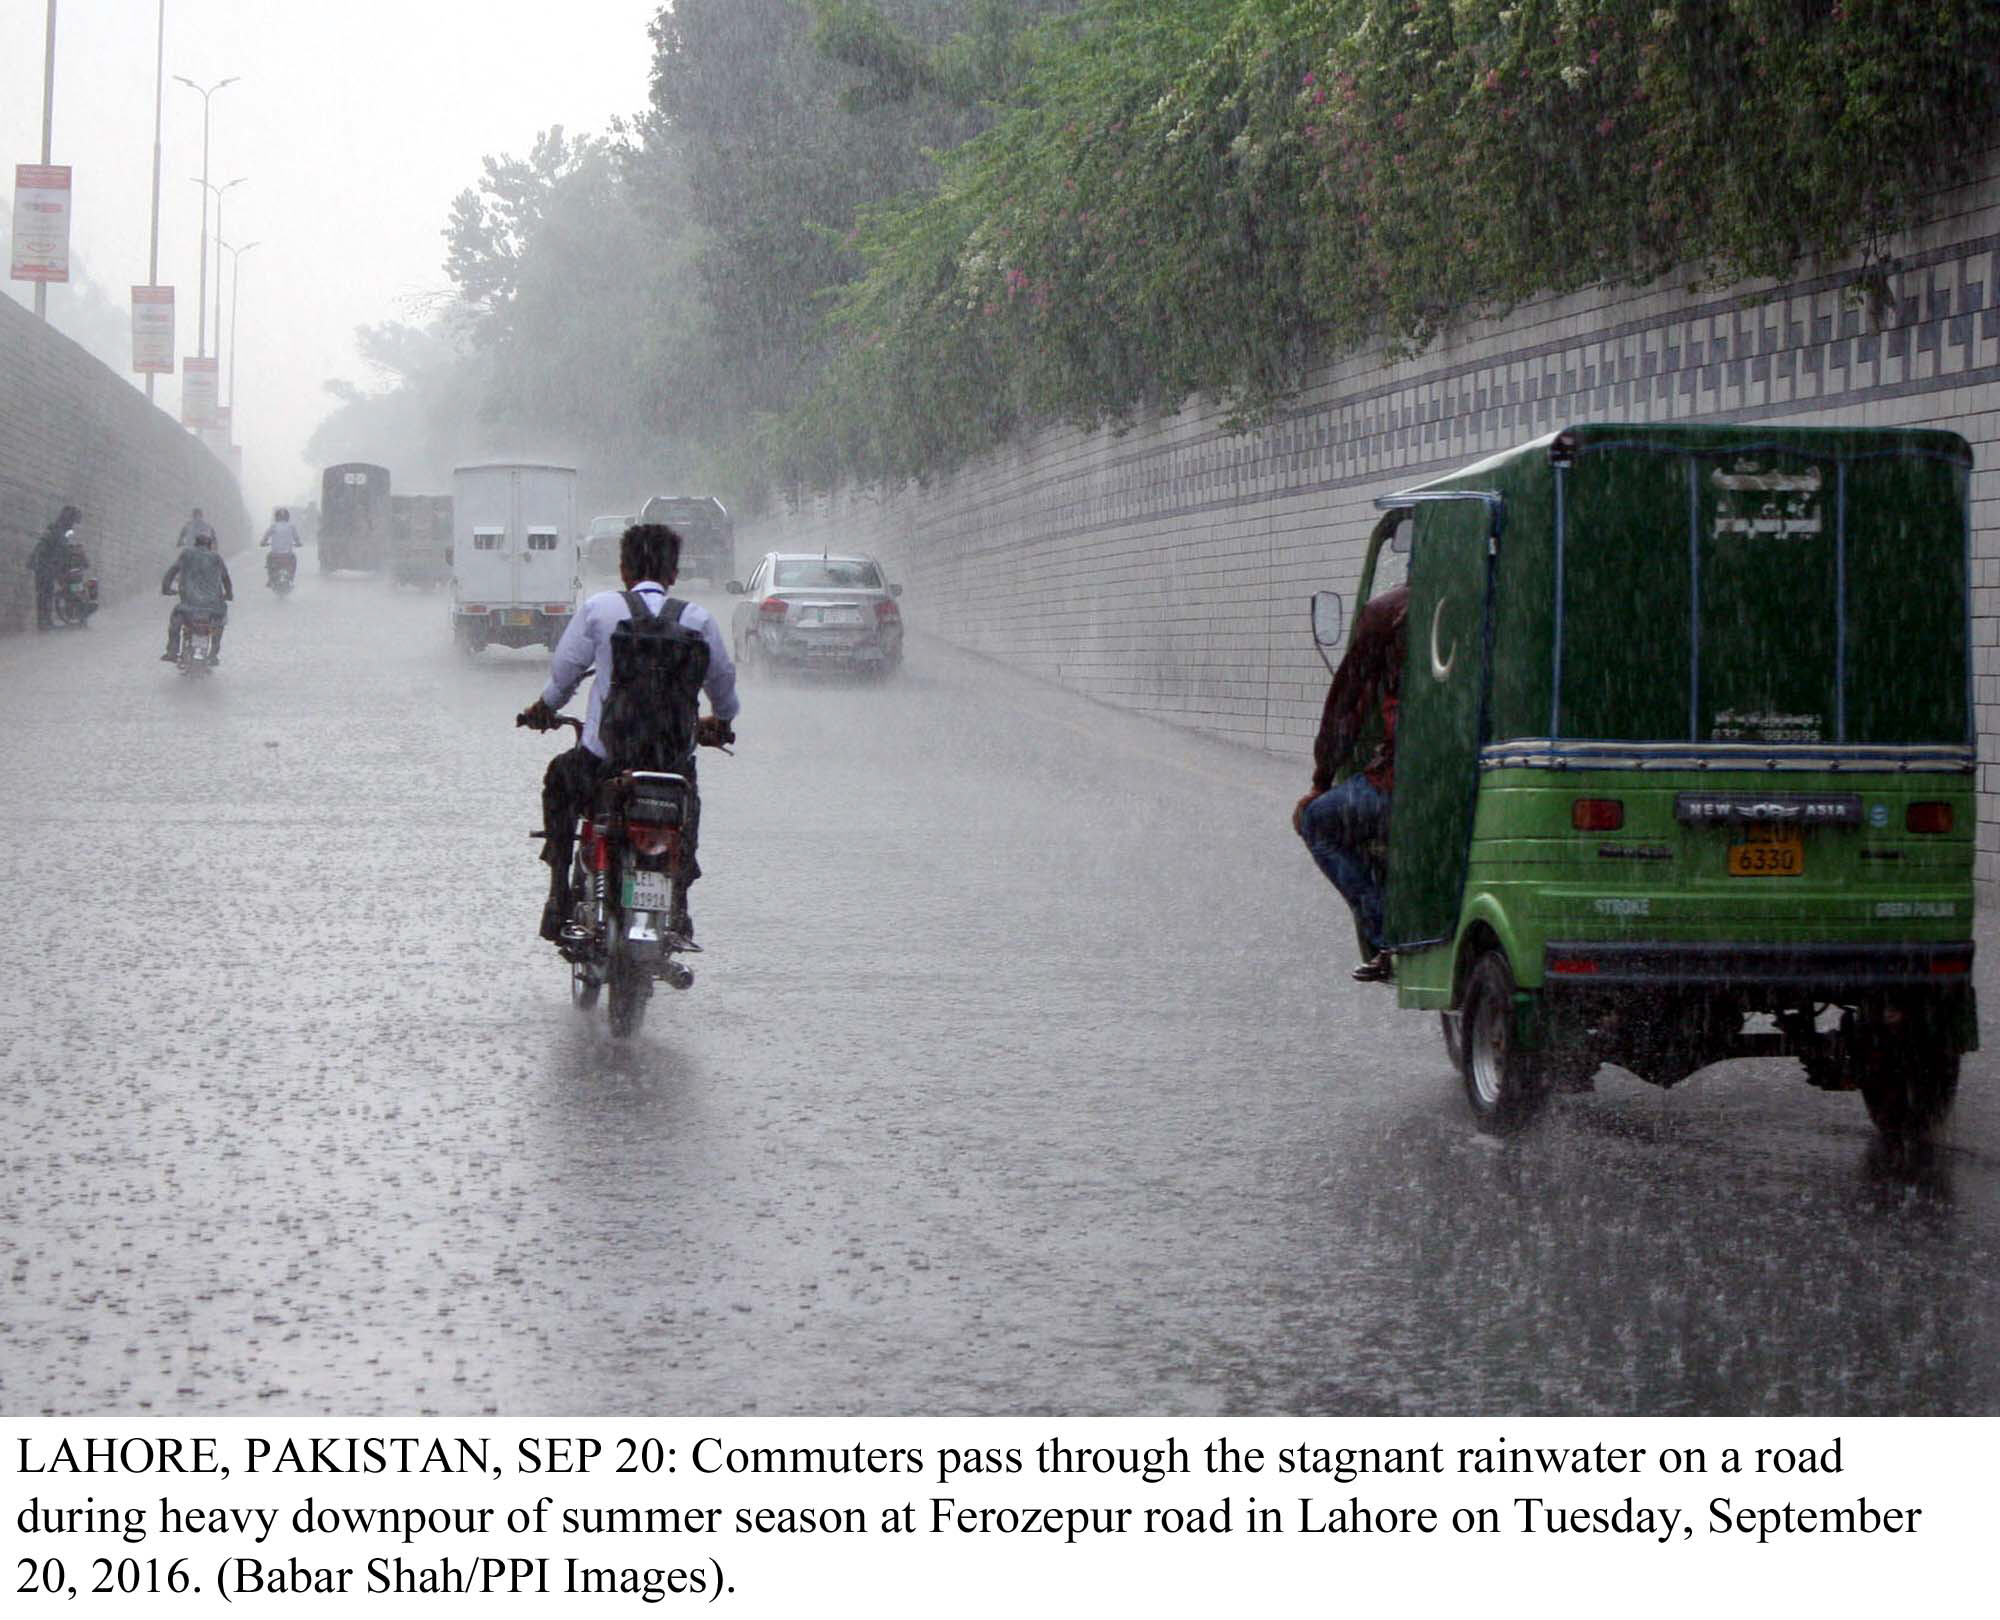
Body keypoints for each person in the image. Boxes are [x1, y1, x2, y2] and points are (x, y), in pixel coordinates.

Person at [517, 522, 739, 943]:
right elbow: (723, 686)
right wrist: (722, 724)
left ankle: (559, 893)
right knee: (686, 815)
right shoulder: (699, 621)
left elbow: (564, 676)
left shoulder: (600, 610)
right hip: (670, 769)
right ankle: (680, 906)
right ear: (673, 573)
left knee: (559, 781)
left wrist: (543, 709)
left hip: (603, 765)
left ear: (623, 569)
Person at [1293, 581, 1409, 983]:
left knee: (1319, 822)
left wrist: (1322, 780)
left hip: (1403, 784)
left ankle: (1389, 939)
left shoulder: (1391, 610)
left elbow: (1348, 704)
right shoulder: (1500, 594)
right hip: (1484, 784)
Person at [161, 531, 233, 663]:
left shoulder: (186, 554)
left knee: (175, 620)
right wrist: (229, 594)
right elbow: (226, 579)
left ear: (195, 544)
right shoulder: (216, 558)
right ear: (210, 546)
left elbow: (172, 571)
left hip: (188, 606)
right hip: (213, 607)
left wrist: (166, 588)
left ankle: (172, 651)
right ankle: (213, 654)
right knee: (220, 623)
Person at [28, 504, 80, 630]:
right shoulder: (58, 530)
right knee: (44, 593)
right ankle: (43, 623)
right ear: (69, 519)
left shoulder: (60, 529)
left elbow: (60, 551)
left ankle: (46, 621)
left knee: (47, 593)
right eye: (73, 521)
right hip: (44, 565)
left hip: (47, 565)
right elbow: (57, 550)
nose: (73, 525)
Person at [261, 506, 301, 584]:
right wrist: (298, 543)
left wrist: (263, 542)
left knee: (268, 558)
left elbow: (266, 536)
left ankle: (270, 578)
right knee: (294, 560)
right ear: (287, 517)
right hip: (288, 554)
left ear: (276, 517)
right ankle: (291, 578)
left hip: (275, 554)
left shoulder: (273, 526)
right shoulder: (291, 526)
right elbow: (297, 538)